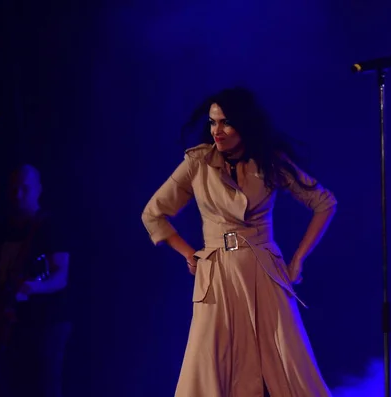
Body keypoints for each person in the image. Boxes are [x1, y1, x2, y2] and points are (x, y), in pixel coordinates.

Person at [142, 87, 337, 396]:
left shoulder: (270, 162)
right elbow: (153, 213)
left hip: (264, 272)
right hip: (216, 276)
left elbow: (324, 203)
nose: (216, 131)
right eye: (212, 123)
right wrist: (187, 253)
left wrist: (299, 258)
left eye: (225, 123)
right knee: (209, 364)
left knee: (284, 360)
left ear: (244, 125)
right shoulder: (198, 162)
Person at [0, 164, 71, 397]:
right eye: (14, 189)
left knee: (45, 388)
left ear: (38, 190)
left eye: (24, 188)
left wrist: (37, 287)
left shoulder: (50, 227)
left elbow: (61, 276)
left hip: (46, 324)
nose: (18, 195)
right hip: (10, 325)